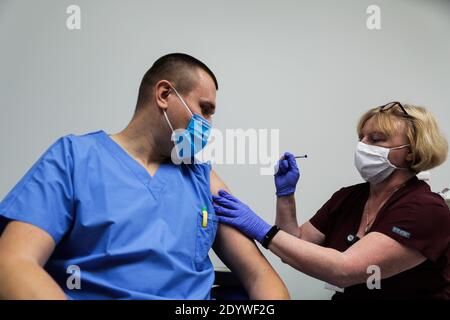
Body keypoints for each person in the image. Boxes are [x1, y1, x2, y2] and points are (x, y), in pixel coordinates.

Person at [0, 53, 289, 300]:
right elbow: (12, 264)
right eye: (205, 109)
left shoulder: (201, 176)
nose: (209, 125)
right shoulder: (75, 158)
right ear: (164, 95)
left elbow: (261, 278)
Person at [213, 102, 450, 299]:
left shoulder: (426, 210)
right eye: (362, 138)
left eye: (376, 140)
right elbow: (295, 244)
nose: (363, 146)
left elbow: (345, 270)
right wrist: (285, 196)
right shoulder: (350, 197)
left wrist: (259, 227)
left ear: (411, 151)